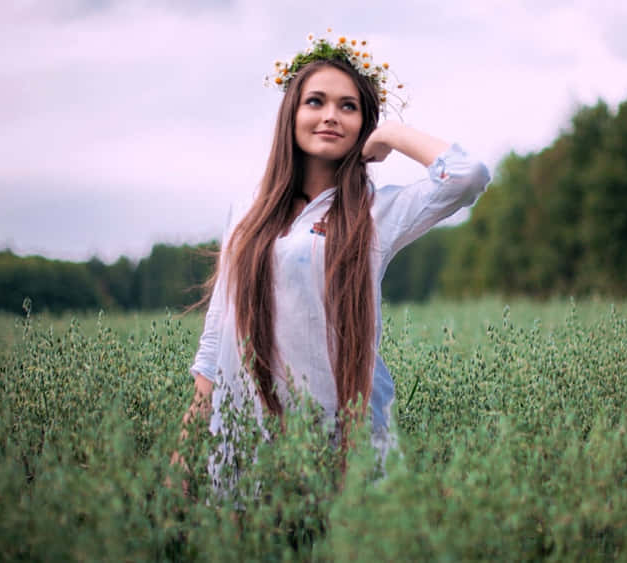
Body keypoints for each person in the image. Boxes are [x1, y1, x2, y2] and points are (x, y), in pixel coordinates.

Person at [174, 32, 490, 493]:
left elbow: (467, 176)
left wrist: (390, 135)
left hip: (346, 434)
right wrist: (185, 452)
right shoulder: (246, 212)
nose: (330, 116)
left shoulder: (376, 212)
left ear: (363, 123)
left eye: (348, 106)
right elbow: (217, 335)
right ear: (291, 114)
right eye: (315, 101)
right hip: (252, 432)